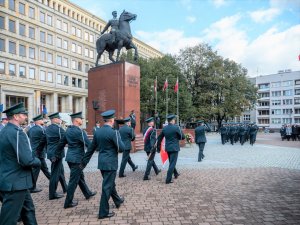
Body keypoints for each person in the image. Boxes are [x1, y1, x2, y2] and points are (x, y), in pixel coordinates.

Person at [0, 102, 41, 225]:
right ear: (16, 117)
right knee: (9, 220)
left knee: (28, 210)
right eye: (23, 114)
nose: (26, 117)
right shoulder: (17, 133)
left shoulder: (4, 130)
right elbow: (26, 160)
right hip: (16, 183)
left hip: (12, 180)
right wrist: (38, 161)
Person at [81, 109, 125, 219]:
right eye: (114, 119)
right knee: (107, 187)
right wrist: (118, 136)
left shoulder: (98, 132)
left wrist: (84, 162)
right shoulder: (114, 132)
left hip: (102, 163)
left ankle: (117, 200)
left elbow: (91, 149)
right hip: (110, 163)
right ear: (111, 120)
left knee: (110, 184)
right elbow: (121, 149)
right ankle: (103, 212)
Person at [54, 112, 96, 209]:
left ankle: (87, 193)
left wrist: (56, 154)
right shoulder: (80, 132)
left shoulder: (67, 131)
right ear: (77, 120)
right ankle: (68, 202)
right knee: (73, 181)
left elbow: (61, 144)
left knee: (79, 177)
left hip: (70, 158)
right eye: (81, 119)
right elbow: (89, 145)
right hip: (77, 159)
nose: (82, 120)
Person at [45, 112, 68, 200]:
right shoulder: (59, 129)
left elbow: (45, 141)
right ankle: (52, 193)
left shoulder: (47, 128)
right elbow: (65, 139)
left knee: (60, 171)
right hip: (57, 154)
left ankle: (65, 188)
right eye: (58, 118)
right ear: (54, 119)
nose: (60, 119)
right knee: (55, 174)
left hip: (51, 153)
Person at [157, 114, 185, 184]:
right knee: (172, 163)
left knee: (171, 162)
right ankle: (168, 179)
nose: (175, 121)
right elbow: (182, 137)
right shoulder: (176, 127)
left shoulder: (164, 128)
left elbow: (159, 138)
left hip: (168, 148)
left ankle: (175, 174)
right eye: (174, 120)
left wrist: (158, 147)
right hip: (174, 147)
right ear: (172, 120)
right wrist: (177, 137)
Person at [27, 114, 51, 193]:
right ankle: (32, 187)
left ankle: (52, 179)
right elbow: (46, 139)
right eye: (41, 120)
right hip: (39, 152)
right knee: (36, 170)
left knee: (44, 168)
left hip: (34, 152)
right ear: (37, 121)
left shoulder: (30, 129)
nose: (43, 121)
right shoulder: (41, 130)